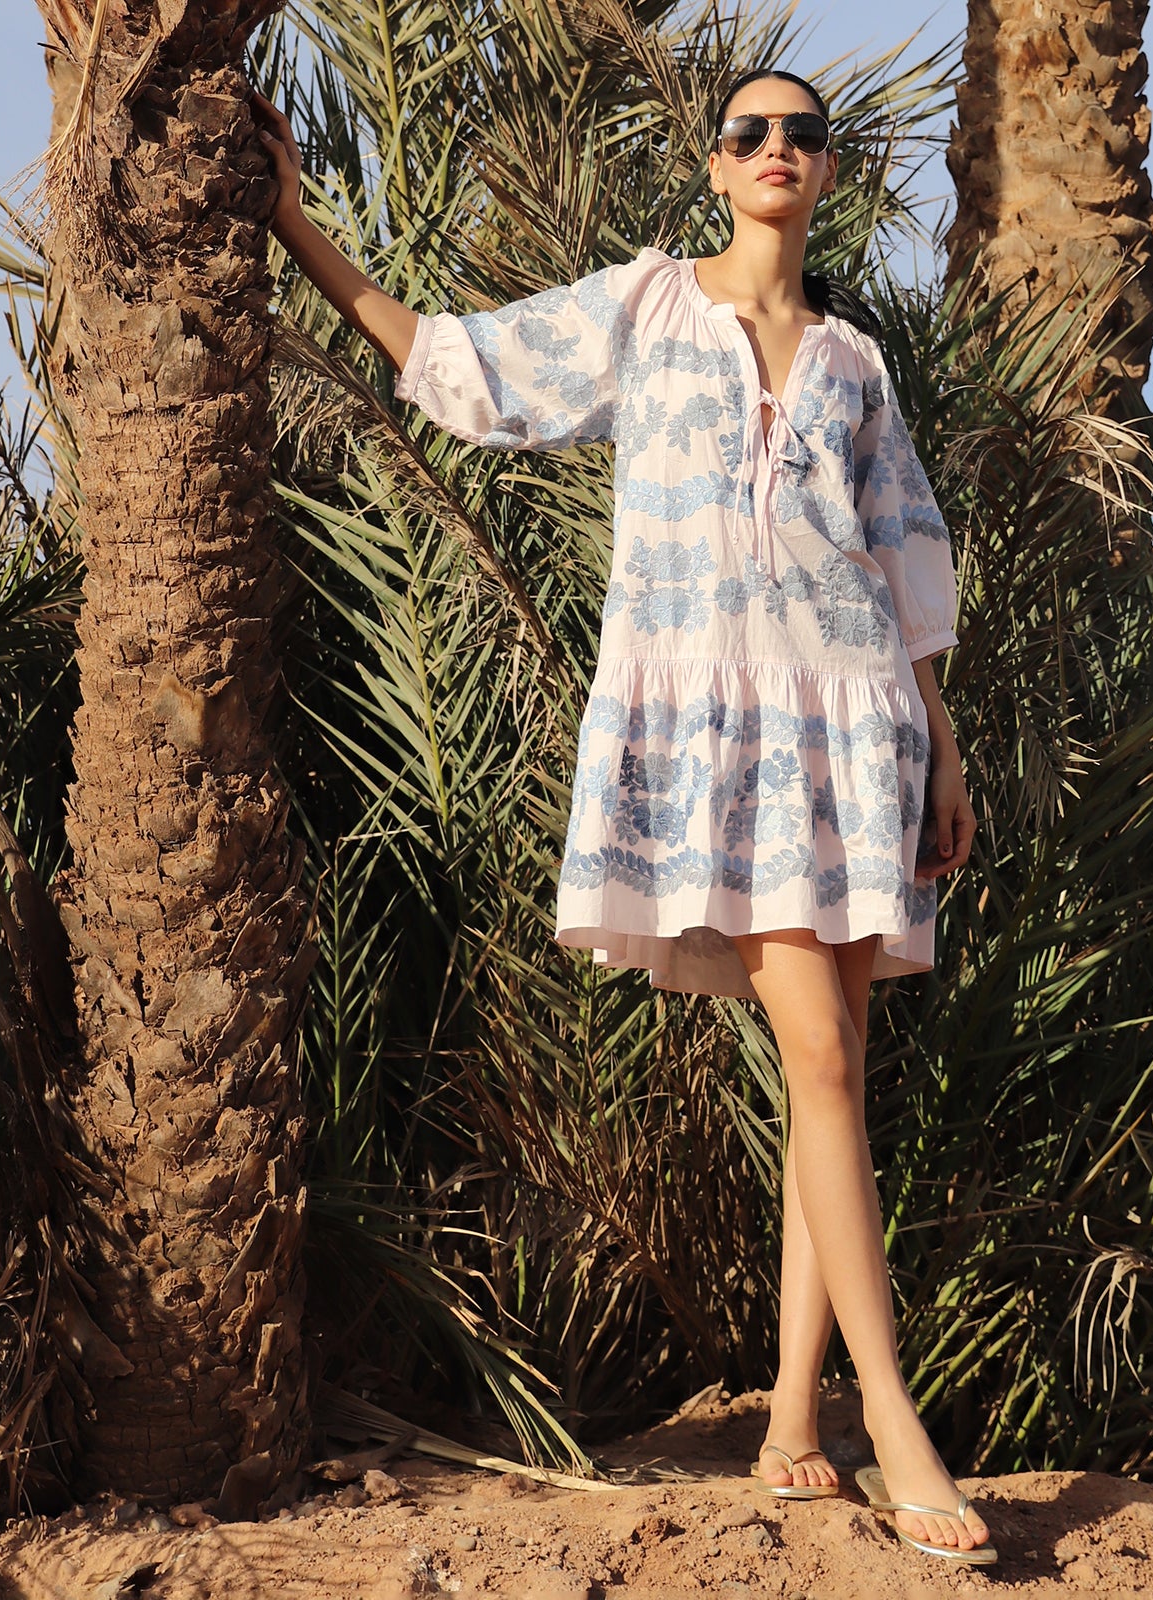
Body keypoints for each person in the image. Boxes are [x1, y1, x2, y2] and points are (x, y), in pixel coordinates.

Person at [253, 66, 990, 1564]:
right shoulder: (648, 308)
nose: (776, 151)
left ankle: (793, 1427)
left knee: (827, 1078)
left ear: (828, 174)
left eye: (801, 135)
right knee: (827, 1059)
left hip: (855, 721)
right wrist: (294, 227)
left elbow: (904, 562)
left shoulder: (853, 360)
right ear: (715, 170)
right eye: (749, 135)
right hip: (726, 723)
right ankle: (895, 1422)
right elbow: (459, 365)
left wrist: (946, 745)